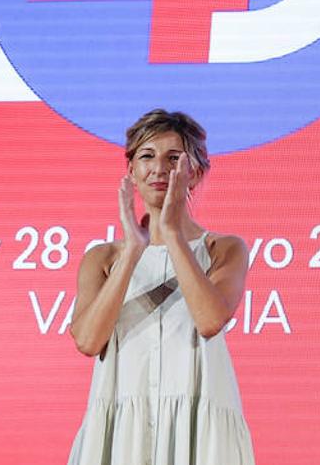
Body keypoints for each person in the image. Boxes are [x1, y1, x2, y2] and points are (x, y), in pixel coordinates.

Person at [67, 110, 255, 464]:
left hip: (198, 426)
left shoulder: (224, 249)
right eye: (147, 156)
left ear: (195, 172)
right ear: (131, 172)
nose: (159, 168)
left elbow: (210, 319)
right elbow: (88, 340)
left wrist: (171, 233)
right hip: (122, 427)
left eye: (174, 158)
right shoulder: (103, 258)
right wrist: (133, 252)